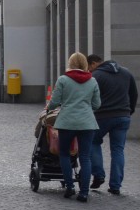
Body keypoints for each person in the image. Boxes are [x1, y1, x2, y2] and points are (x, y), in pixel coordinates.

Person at [47, 52, 102, 201]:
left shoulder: (63, 80)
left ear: (70, 63)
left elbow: (54, 101)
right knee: (85, 156)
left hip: (67, 122)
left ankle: (70, 187)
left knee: (64, 154)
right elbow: (97, 104)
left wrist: (49, 108)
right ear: (85, 64)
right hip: (87, 123)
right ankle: (84, 192)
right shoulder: (92, 81)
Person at [87, 53, 137, 196]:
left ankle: (98, 174)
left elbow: (90, 98)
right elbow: (134, 94)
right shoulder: (126, 72)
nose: (89, 71)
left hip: (102, 117)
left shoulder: (96, 76)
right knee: (118, 150)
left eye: (89, 67)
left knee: (93, 142)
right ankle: (115, 186)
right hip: (123, 116)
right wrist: (129, 111)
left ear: (93, 64)